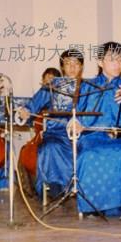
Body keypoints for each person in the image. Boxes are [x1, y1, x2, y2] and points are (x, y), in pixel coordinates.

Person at [70, 42, 121, 217]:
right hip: (91, 137)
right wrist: (75, 122)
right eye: (112, 59)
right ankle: (93, 205)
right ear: (100, 62)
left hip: (119, 138)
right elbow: (74, 113)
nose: (118, 64)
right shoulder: (86, 86)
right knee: (89, 155)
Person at [24, 48, 86, 198]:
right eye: (68, 63)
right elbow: (33, 104)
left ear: (81, 67)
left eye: (76, 64)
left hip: (84, 134)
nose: (72, 67)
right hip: (57, 133)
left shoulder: (89, 87)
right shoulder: (52, 87)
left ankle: (86, 190)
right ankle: (57, 189)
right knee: (50, 147)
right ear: (62, 67)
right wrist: (25, 110)